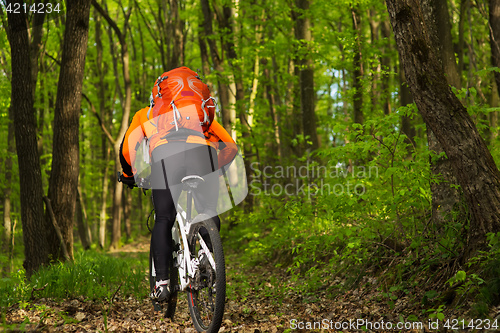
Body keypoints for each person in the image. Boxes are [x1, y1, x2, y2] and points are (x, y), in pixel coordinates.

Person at [119, 73, 237, 302]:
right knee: (208, 210)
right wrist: (215, 166)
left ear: (157, 96)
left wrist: (129, 175)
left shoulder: (147, 114)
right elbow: (230, 146)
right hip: (203, 155)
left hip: (165, 159)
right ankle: (204, 253)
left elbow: (127, 149)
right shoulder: (198, 116)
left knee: (164, 218)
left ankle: (162, 284)